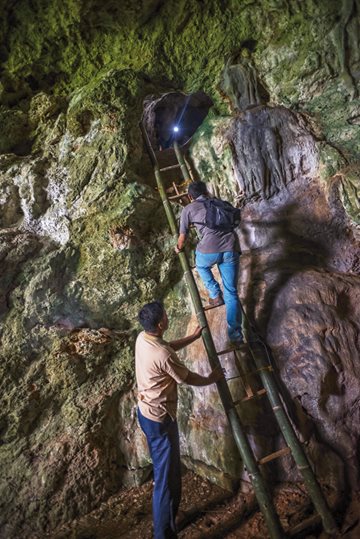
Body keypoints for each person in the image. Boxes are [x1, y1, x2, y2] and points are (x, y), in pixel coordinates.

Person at [135, 301, 223, 539]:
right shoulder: (161, 353)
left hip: (145, 412)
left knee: (169, 473)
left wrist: (192, 338)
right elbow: (185, 377)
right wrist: (211, 378)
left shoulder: (143, 338)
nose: (167, 315)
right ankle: (163, 534)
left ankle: (169, 521)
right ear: (161, 323)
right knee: (165, 480)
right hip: (159, 418)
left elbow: (167, 348)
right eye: (165, 314)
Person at [176, 181, 243, 344]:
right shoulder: (218, 202)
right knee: (232, 293)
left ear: (190, 196)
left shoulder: (188, 209)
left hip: (209, 250)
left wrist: (178, 248)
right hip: (231, 247)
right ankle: (236, 336)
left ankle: (214, 294)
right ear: (205, 192)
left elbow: (182, 238)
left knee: (200, 264)